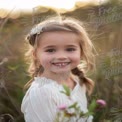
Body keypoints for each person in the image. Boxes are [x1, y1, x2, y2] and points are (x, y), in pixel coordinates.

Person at [21, 16, 96, 122]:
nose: (61, 56)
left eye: (70, 49)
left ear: (81, 52)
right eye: (50, 50)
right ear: (35, 55)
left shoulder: (77, 81)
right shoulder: (41, 93)